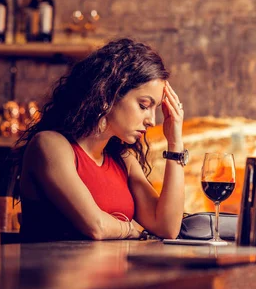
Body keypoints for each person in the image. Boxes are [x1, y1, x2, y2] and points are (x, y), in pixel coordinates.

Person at [14, 38, 187, 242]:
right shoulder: (49, 145)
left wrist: (175, 142)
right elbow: (96, 226)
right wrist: (131, 229)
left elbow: (167, 227)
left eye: (154, 109)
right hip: (60, 272)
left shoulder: (123, 160)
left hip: (114, 272)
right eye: (143, 105)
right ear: (108, 95)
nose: (151, 121)